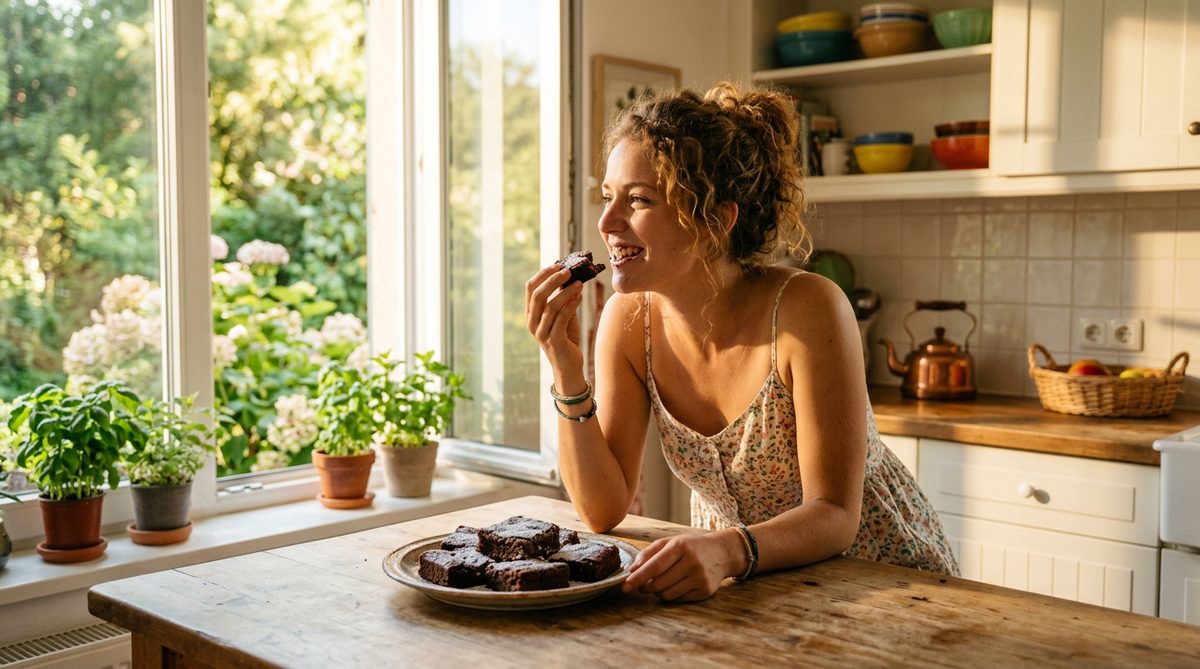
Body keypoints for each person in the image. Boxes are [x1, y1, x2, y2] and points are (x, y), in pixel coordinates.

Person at [525, 81, 958, 602]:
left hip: (878, 580)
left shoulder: (808, 310)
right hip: (742, 586)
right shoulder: (626, 322)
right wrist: (565, 368)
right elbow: (602, 508)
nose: (606, 222)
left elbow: (836, 515)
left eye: (638, 200)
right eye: (608, 197)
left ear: (716, 221)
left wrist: (726, 550)